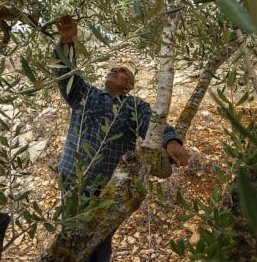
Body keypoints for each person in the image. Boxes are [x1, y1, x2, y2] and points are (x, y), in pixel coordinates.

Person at [53, 14, 189, 262]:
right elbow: (65, 75)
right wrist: (67, 42)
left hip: (107, 190)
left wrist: (171, 141)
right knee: (71, 240)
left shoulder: (134, 107)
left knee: (100, 245)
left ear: (130, 85)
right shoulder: (86, 95)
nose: (115, 70)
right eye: (113, 68)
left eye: (123, 71)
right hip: (73, 183)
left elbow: (153, 125)